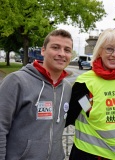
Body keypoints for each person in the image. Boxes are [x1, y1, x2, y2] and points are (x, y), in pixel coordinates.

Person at [66, 28, 115, 160]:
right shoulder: (85, 82)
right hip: (93, 155)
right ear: (100, 51)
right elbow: (71, 116)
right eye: (109, 49)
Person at [0, 29, 73, 160]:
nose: (61, 54)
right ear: (43, 50)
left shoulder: (67, 88)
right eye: (55, 47)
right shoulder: (17, 81)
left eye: (67, 50)